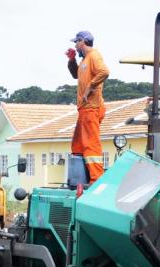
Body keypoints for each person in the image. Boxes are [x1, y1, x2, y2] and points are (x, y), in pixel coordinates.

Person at [66, 30, 109, 184]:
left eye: (76, 43)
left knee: (91, 145)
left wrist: (90, 87)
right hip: (84, 109)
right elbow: (75, 75)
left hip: (91, 108)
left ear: (82, 42)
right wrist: (71, 60)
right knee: (78, 145)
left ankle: (96, 179)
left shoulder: (94, 56)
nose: (75, 46)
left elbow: (104, 72)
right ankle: (79, 177)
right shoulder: (85, 60)